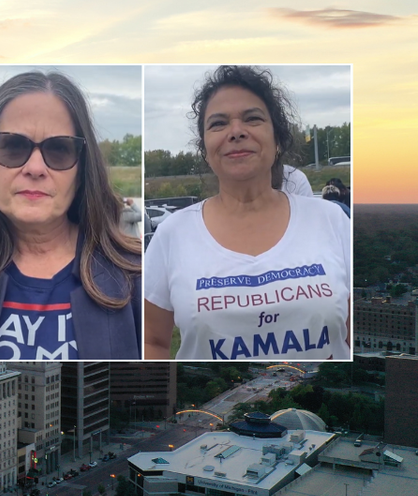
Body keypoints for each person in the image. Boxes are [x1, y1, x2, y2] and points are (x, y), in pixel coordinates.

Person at [145, 65, 351, 361]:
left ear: (277, 139)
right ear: (204, 148)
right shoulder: (172, 234)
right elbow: (152, 341)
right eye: (218, 124)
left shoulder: (330, 221)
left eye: (252, 118)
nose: (236, 132)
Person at [0, 71, 142, 361]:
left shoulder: (136, 276)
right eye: (13, 146)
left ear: (82, 169)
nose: (35, 167)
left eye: (59, 150)